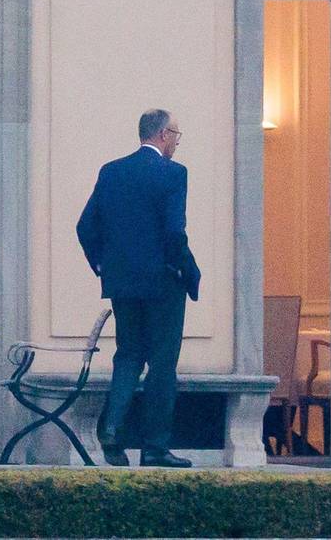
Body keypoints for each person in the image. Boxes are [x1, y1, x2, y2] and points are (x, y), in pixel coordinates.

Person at [76, 108, 201, 468]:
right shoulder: (173, 173)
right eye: (176, 135)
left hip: (123, 284)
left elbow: (85, 227)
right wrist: (188, 270)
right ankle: (155, 447)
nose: (177, 143)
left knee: (129, 354)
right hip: (163, 282)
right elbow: (174, 232)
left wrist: (103, 266)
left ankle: (112, 429)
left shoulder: (111, 171)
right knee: (162, 362)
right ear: (163, 135)